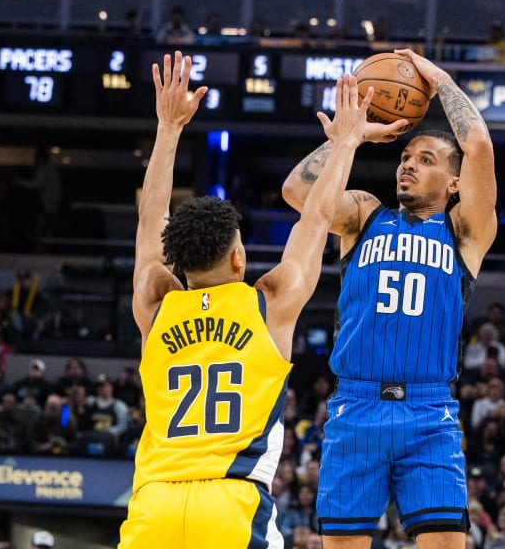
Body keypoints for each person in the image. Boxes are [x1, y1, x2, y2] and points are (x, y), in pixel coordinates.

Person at [118, 51, 374, 548]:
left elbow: (150, 219)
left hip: (155, 504)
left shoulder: (155, 300)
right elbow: (318, 217)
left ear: (178, 264)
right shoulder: (270, 303)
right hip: (231, 507)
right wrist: (346, 142)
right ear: (239, 259)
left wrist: (168, 128)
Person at [282, 48, 497, 547]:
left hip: (429, 412)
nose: (408, 166)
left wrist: (439, 79)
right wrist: (349, 138)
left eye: (426, 160)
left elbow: (480, 146)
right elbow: (297, 190)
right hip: (355, 407)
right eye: (404, 157)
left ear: (455, 182)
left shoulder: (464, 230)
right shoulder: (363, 215)